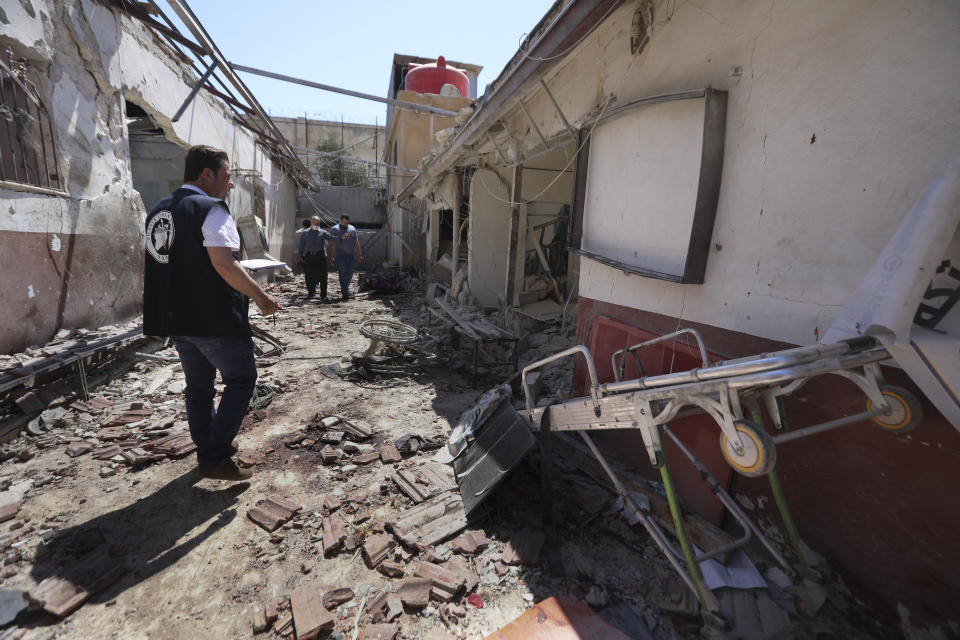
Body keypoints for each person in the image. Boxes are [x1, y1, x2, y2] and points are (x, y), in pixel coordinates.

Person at [143, 145, 281, 481]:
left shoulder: (159, 211)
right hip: (213, 318)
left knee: (199, 388)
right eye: (228, 176)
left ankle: (208, 450)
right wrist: (261, 297)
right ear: (207, 174)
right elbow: (223, 263)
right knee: (241, 380)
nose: (231, 185)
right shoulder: (209, 209)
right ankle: (215, 454)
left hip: (177, 318)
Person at [295, 215, 334, 300]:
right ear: (311, 222)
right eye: (314, 222)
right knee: (309, 275)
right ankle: (311, 293)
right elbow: (301, 245)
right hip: (309, 256)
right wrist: (300, 256)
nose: (316, 224)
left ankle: (323, 295)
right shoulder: (305, 233)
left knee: (323, 276)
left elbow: (332, 238)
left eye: (317, 223)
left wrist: (341, 237)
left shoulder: (323, 232)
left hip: (321, 256)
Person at [327, 214, 363, 301]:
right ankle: (345, 294)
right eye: (343, 223)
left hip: (351, 255)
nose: (345, 225)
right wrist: (330, 257)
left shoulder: (352, 229)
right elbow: (330, 244)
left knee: (350, 273)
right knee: (342, 273)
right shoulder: (334, 229)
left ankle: (345, 290)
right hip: (340, 255)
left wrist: (359, 255)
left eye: (346, 223)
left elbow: (356, 243)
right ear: (340, 220)